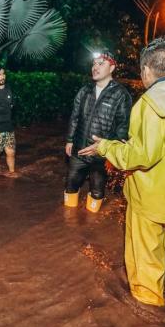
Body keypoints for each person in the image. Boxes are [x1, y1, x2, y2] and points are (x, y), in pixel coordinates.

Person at [79, 37, 165, 306]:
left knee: (144, 267)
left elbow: (141, 156)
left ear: (146, 71)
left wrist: (106, 147)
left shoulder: (150, 105)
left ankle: (147, 315)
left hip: (151, 199)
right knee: (159, 251)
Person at [64, 50, 133, 213]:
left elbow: (123, 127)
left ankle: (89, 230)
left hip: (101, 155)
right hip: (79, 149)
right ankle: (68, 227)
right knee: (70, 185)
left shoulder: (121, 95)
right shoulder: (84, 90)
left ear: (112, 68)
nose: (95, 67)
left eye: (101, 63)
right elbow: (75, 116)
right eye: (94, 63)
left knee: (97, 191)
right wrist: (69, 139)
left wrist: (111, 151)